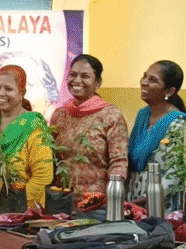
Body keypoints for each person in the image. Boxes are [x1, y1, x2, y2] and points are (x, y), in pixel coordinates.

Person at [50, 54, 128, 195]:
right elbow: (51, 160)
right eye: (73, 75)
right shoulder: (60, 114)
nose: (77, 80)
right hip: (60, 199)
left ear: (97, 83)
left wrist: (112, 200)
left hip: (95, 203)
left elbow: (119, 163)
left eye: (85, 76)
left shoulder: (110, 115)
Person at [0, 65, 53, 209]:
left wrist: (12, 205)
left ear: (21, 93)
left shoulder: (33, 124)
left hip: (21, 212)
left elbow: (43, 176)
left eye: (8, 89)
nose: (1, 93)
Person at [127, 61, 186, 212]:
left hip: (160, 205)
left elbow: (174, 177)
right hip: (133, 201)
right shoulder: (143, 115)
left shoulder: (178, 124)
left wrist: (142, 202)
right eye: (144, 76)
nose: (144, 83)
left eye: (153, 80)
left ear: (169, 91)